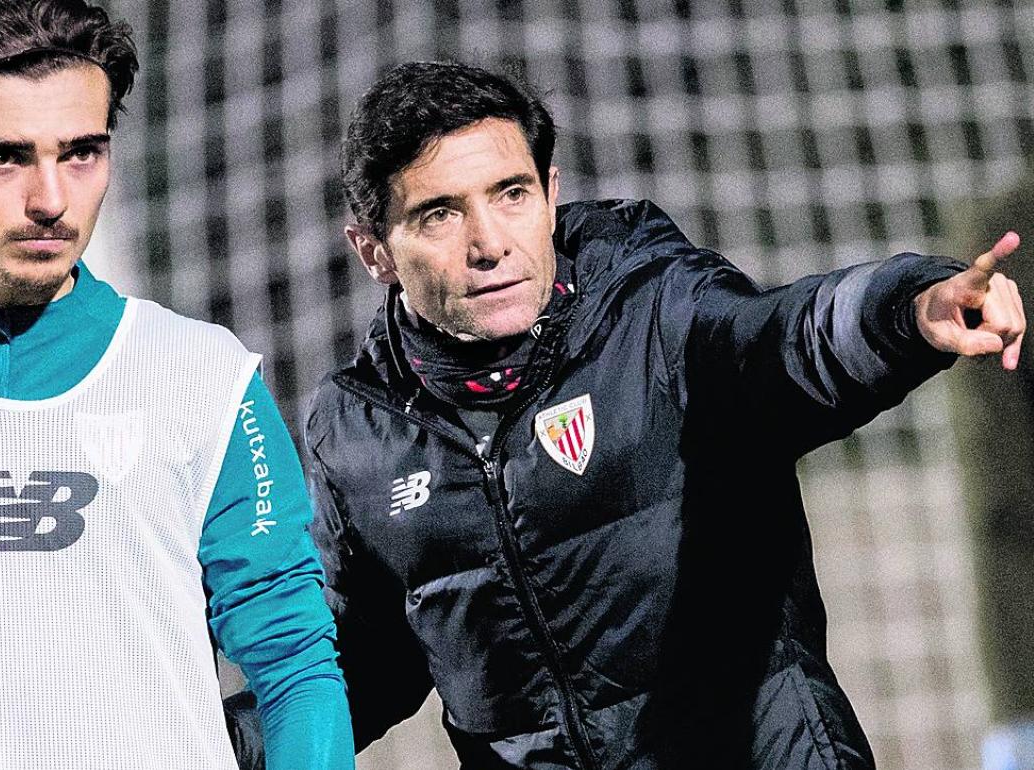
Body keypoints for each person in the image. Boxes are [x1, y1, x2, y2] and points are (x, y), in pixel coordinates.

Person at [228, 60, 1026, 769]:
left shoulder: (657, 314)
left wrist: (909, 311)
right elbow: (363, 661)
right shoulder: (357, 431)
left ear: (550, 194)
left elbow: (787, 338)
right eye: (440, 214)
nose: (489, 243)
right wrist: (197, 739)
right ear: (373, 250)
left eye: (510, 195)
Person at [0, 1, 352, 768]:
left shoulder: (204, 380)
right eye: (5, 157)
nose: (51, 199)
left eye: (81, 153)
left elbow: (293, 661)